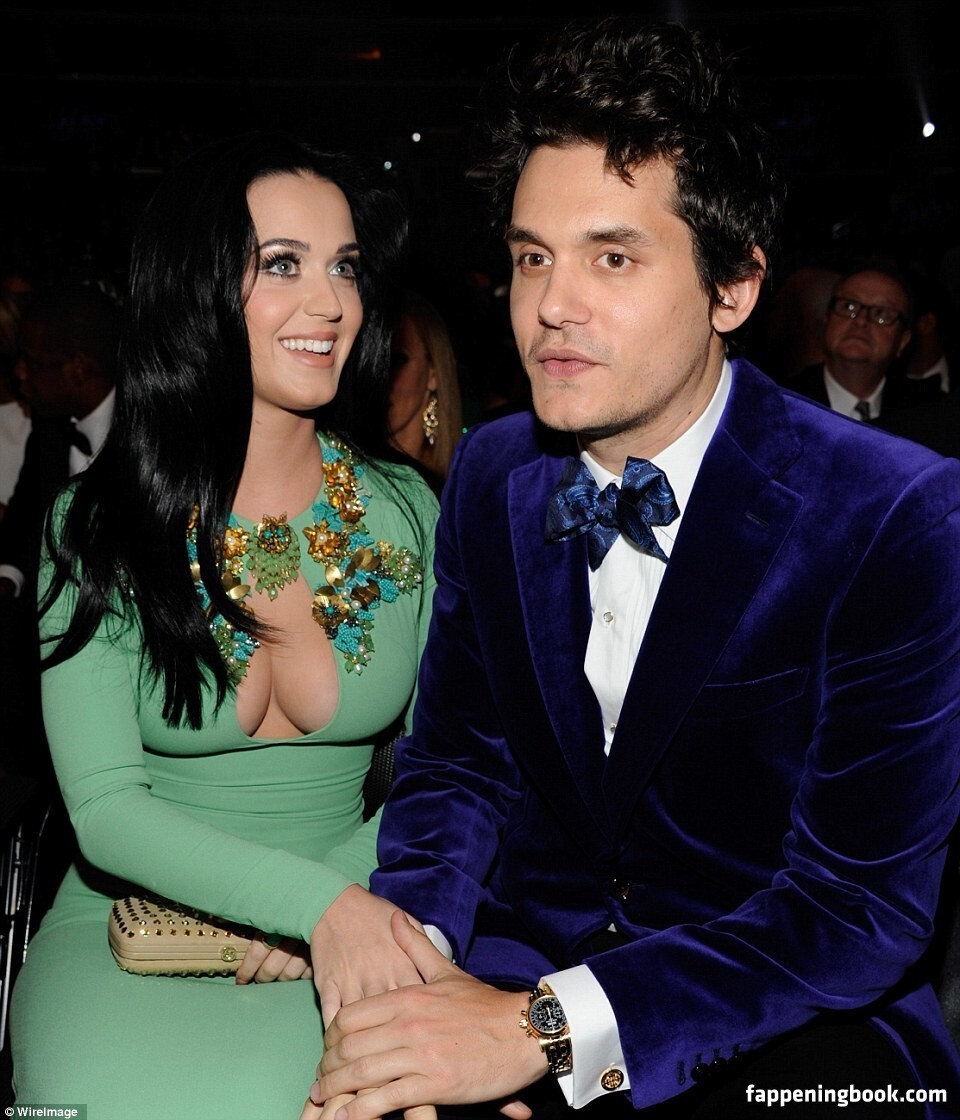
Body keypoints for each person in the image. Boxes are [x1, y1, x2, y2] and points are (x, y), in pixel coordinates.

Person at [304, 17, 960, 1120]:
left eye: (613, 256)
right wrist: (411, 969)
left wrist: (545, 1030)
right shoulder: (493, 475)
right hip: (512, 957)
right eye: (532, 257)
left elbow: (856, 910)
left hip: (799, 1021)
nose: (552, 304)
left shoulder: (895, 512)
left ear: (733, 288)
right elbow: (457, 767)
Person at [9, 130, 438, 1119]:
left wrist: (338, 899)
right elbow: (104, 809)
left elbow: (451, 766)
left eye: (344, 267)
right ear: (195, 288)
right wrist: (307, 903)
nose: (329, 302)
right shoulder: (96, 528)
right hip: (128, 936)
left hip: (359, 920)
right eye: (282, 264)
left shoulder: (409, 513)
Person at [788, 266, 940, 421]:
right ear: (827, 319)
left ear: (903, 341)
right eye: (849, 306)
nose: (861, 321)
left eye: (881, 313)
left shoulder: (928, 412)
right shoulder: (783, 402)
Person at [388, 288, 463, 491]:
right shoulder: (349, 473)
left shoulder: (458, 487)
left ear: (433, 374)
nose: (382, 376)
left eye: (397, 360)